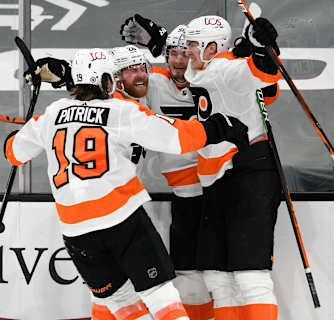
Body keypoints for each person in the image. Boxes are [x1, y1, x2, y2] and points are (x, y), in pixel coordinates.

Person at [8, 48, 249, 320]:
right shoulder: (120, 111)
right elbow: (177, 138)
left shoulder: (52, 113)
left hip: (75, 231)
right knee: (161, 297)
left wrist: (18, 134)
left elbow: (14, 152)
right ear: (106, 81)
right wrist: (217, 127)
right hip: (120, 219)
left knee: (123, 306)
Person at [120, 14, 282, 319]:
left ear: (209, 48)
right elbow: (128, 88)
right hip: (204, 185)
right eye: (177, 52)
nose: (183, 58)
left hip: (238, 174)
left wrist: (258, 48)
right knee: (212, 277)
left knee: (248, 277)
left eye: (190, 47)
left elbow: (262, 78)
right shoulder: (174, 77)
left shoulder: (221, 71)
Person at [121, 22, 215, 320]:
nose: (177, 60)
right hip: (185, 195)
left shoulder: (213, 78)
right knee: (187, 273)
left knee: (223, 275)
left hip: (222, 189)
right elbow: (120, 83)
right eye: (172, 54)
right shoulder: (156, 81)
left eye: (184, 53)